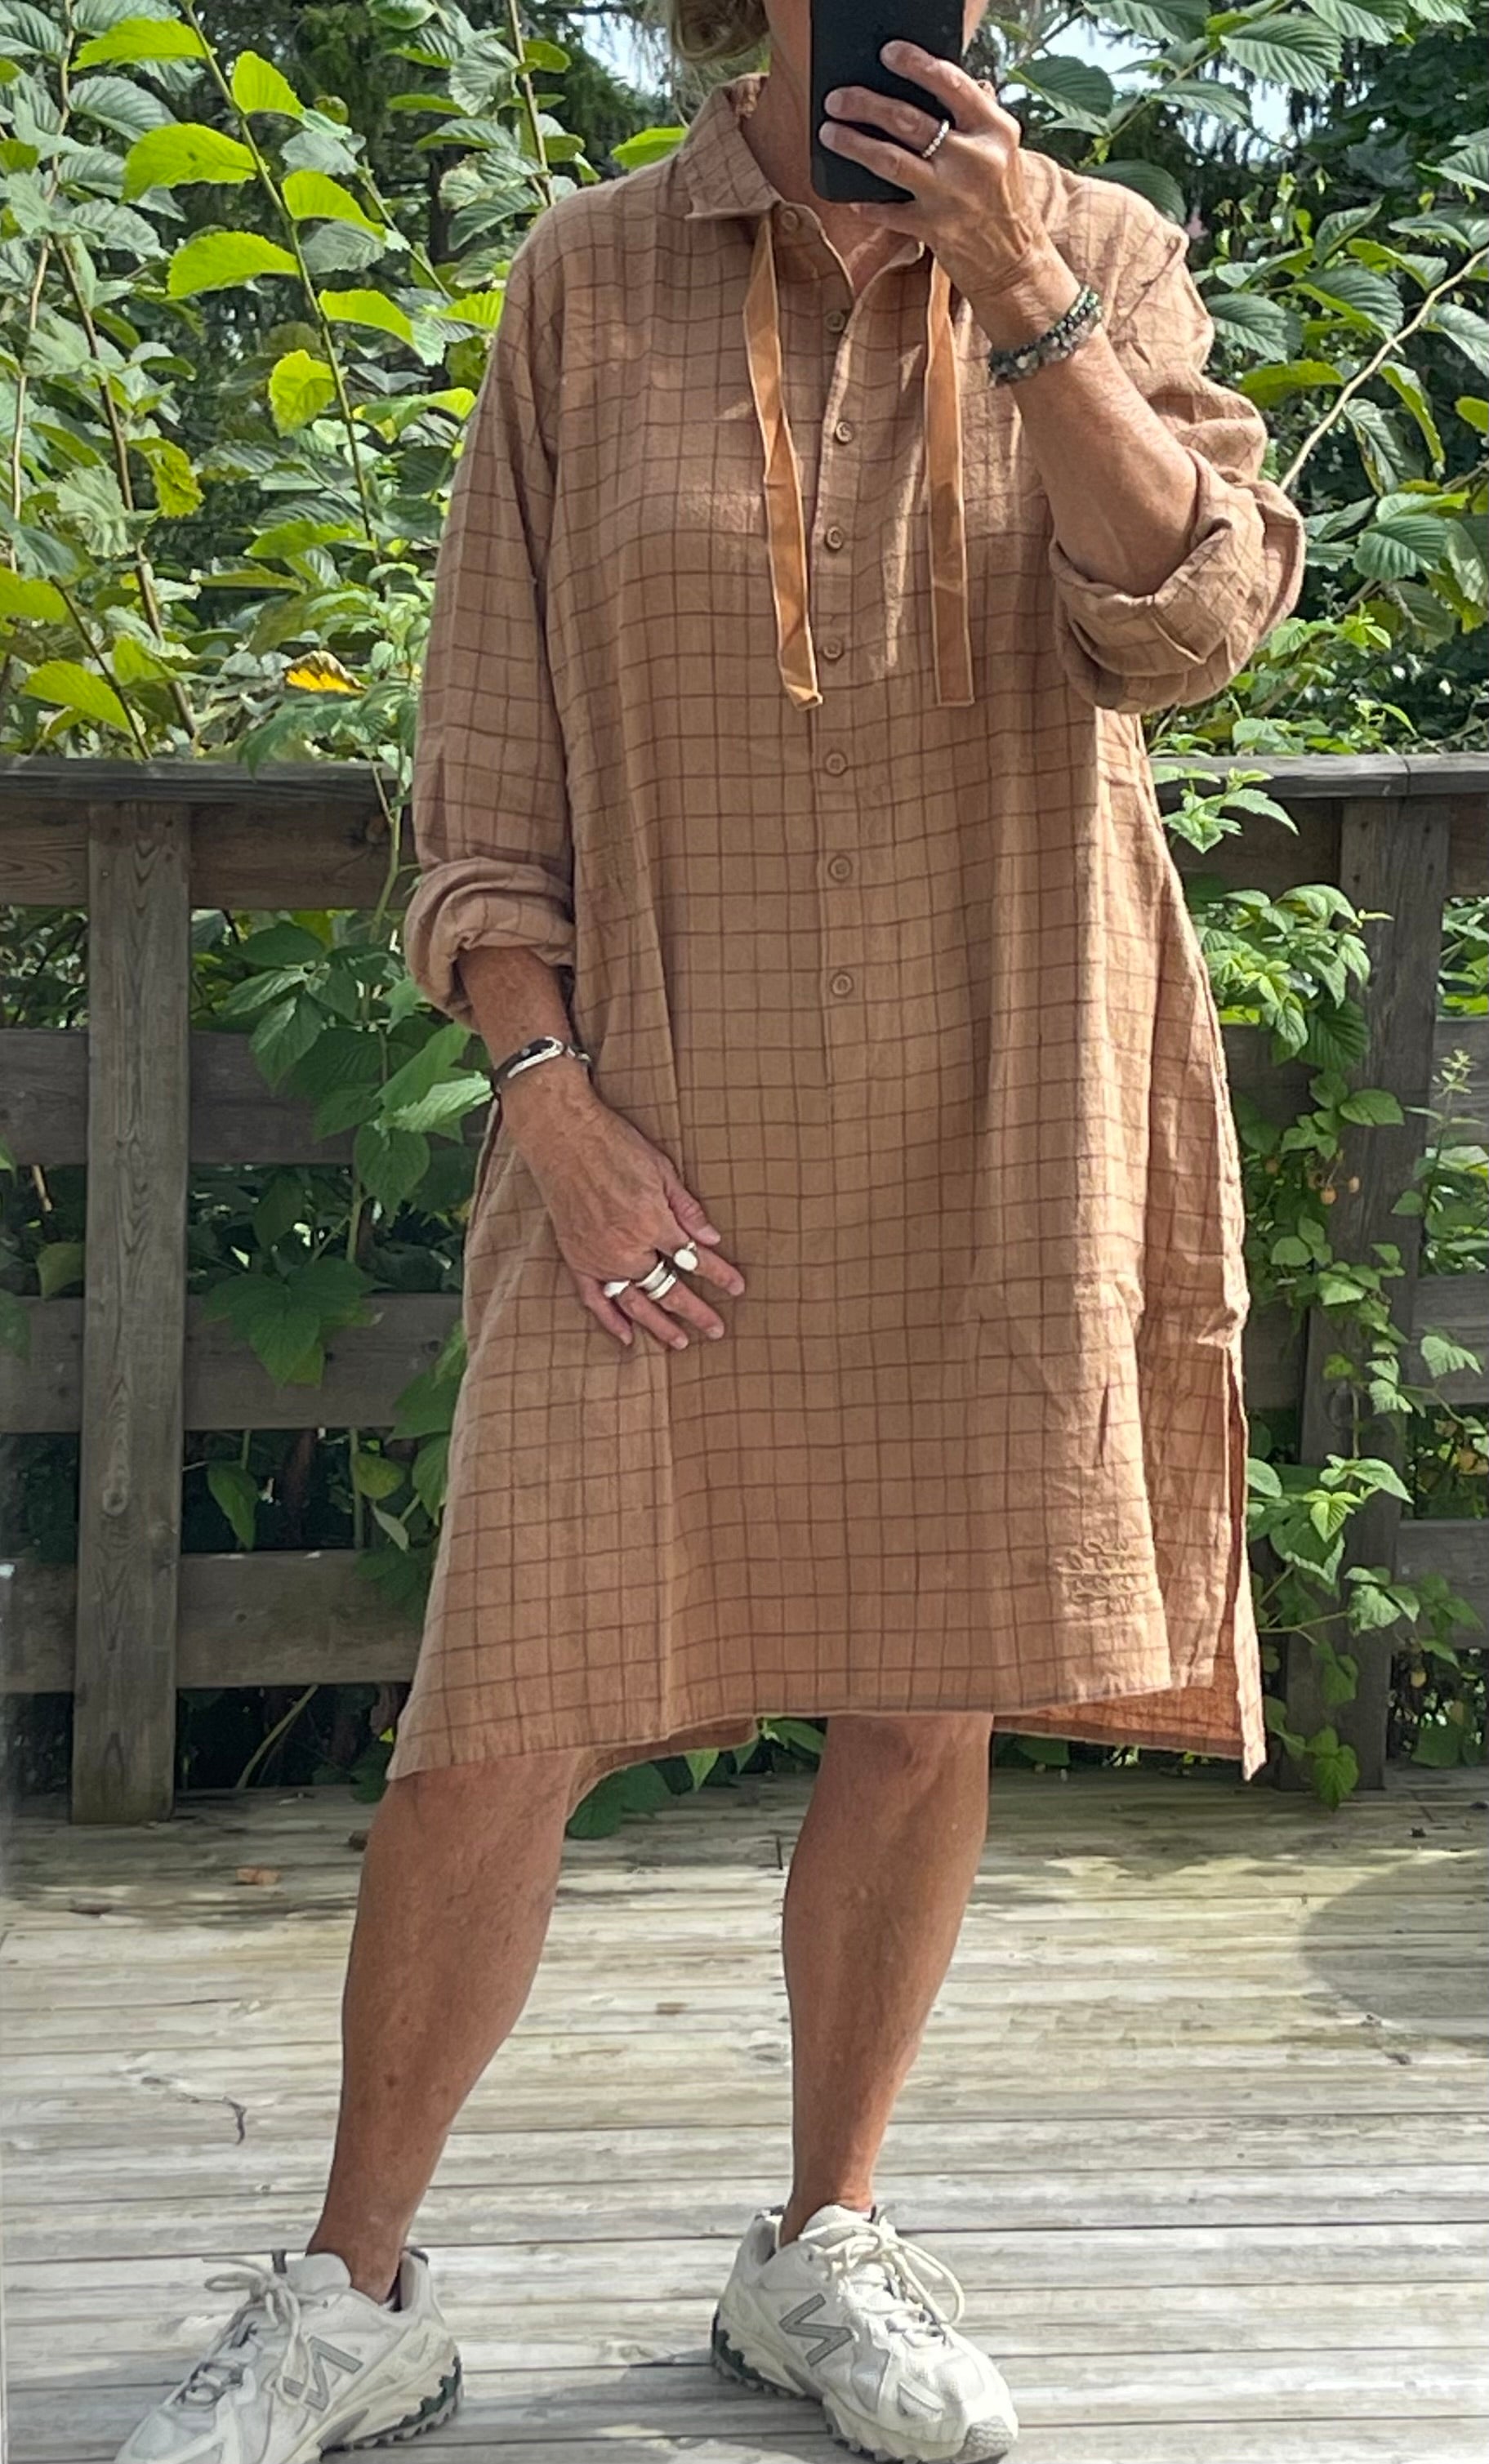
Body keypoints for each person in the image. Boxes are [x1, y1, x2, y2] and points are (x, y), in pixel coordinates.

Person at [114, 2, 1305, 2458]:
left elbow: (1185, 627)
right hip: (644, 1125)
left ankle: (823, 2239)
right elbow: (487, 747)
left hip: (1002, 1094)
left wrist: (1028, 296)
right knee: (507, 1711)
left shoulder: (1101, 247)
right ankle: (351, 2288)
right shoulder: (588, 278)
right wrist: (545, 1099)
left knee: (928, 1682)